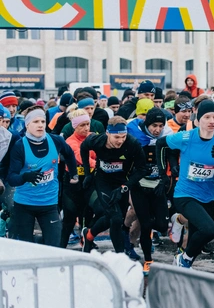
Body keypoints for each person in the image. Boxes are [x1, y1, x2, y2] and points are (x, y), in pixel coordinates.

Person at [156, 100, 214, 268]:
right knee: (209, 230)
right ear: (198, 120)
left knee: (197, 237)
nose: (212, 121)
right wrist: (164, 173)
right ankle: (184, 260)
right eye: (207, 117)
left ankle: (183, 255)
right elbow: (161, 145)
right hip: (185, 194)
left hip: (207, 196)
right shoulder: (186, 137)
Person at [6, 109, 77, 246]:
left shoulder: (55, 140)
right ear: (27, 125)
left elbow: (69, 154)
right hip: (25, 204)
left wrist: (73, 174)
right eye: (36, 121)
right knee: (25, 247)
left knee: (55, 245)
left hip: (49, 204)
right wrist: (26, 176)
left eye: (43, 121)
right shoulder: (20, 146)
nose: (40, 125)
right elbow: (12, 178)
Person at [80, 117, 146, 255]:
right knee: (115, 218)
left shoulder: (132, 144)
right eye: (116, 137)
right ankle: (120, 256)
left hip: (122, 182)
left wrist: (125, 187)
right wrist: (87, 173)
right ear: (107, 133)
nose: (120, 141)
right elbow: (83, 147)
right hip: (103, 180)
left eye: (123, 136)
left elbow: (142, 169)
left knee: (117, 219)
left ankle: (89, 234)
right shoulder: (97, 141)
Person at [127, 107, 173, 274]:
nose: (157, 129)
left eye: (161, 125)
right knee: (145, 225)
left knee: (161, 225)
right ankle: (148, 260)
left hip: (157, 187)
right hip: (140, 187)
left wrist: (166, 178)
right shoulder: (135, 138)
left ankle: (129, 230)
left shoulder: (166, 137)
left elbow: (171, 159)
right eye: (154, 125)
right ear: (147, 124)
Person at [60, 109, 95, 248]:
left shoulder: (93, 136)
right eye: (82, 125)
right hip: (72, 183)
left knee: (88, 215)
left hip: (88, 181)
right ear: (75, 126)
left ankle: (87, 242)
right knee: (69, 218)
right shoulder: (70, 141)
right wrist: (97, 162)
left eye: (88, 124)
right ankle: (61, 247)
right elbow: (80, 157)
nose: (86, 128)